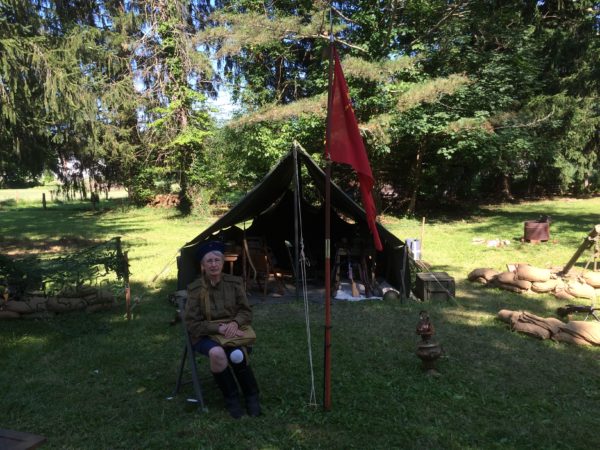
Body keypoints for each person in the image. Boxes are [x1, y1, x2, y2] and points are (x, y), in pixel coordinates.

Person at [184, 240, 261, 418]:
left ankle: (252, 395)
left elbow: (245, 311)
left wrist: (234, 324)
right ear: (202, 265)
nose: (213, 264)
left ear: (222, 262)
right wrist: (219, 328)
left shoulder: (234, 283)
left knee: (237, 355)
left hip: (232, 330)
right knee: (217, 353)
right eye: (209, 261)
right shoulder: (196, 289)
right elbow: (192, 324)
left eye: (217, 260)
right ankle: (231, 398)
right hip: (205, 334)